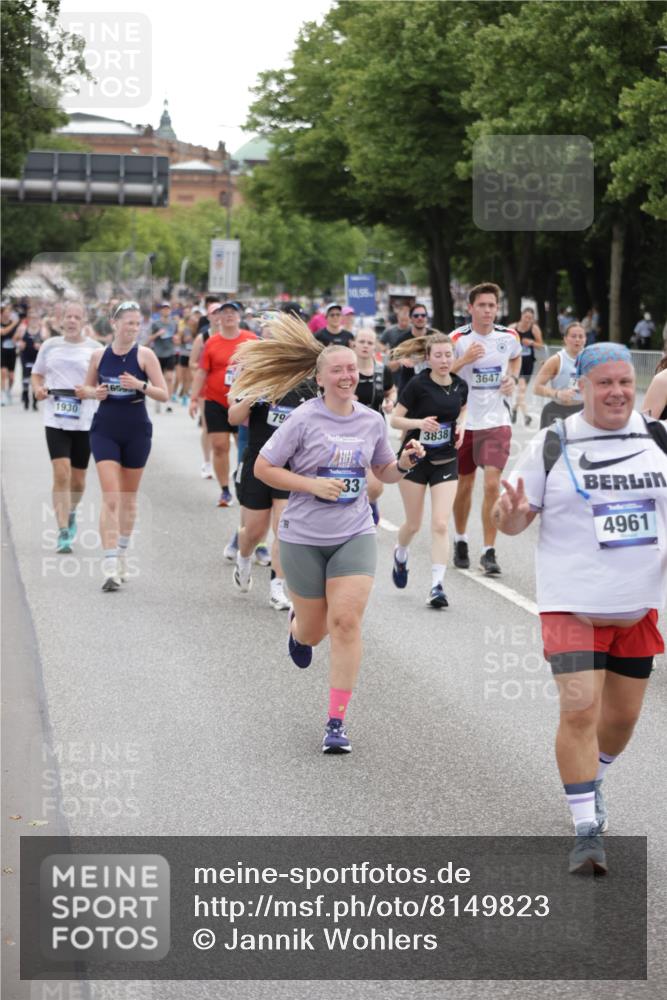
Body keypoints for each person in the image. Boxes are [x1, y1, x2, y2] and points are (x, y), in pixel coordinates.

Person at [494, 343, 667, 874]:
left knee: (621, 720)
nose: (616, 392)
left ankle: (593, 780)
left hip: (638, 609)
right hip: (571, 608)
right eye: (604, 384)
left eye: (624, 382)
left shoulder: (657, 439)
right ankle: (586, 829)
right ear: (583, 387)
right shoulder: (554, 442)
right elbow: (512, 522)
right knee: (580, 713)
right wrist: (511, 514)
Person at [234, 314, 425, 754]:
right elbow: (264, 467)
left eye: (350, 369)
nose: (345, 375)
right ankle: (297, 629)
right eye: (335, 369)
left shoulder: (371, 420)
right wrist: (310, 485)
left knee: (346, 622)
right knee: (314, 633)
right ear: (319, 379)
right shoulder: (303, 418)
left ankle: (336, 722)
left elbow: (383, 473)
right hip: (302, 537)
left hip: (353, 533)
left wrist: (407, 462)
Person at [82, 301, 168, 591]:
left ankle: (120, 553)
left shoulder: (144, 355)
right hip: (104, 429)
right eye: (128, 322)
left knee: (129, 497)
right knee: (111, 496)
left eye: (136, 323)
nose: (133, 328)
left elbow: (163, 394)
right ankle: (108, 564)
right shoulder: (98, 355)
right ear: (114, 323)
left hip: (136, 430)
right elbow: (84, 390)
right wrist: (97, 392)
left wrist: (139, 385)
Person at [449, 282, 522, 575]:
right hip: (465, 421)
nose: (488, 310)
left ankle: (488, 550)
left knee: (492, 484)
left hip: (496, 421)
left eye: (492, 305)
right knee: (464, 485)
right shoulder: (458, 339)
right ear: (470, 308)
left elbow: (516, 358)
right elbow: (439, 372)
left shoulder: (509, 337)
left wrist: (512, 379)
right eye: (482, 305)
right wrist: (464, 360)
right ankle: (460, 538)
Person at [390, 334, 468, 607]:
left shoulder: (460, 385)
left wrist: (461, 426)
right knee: (413, 524)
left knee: (440, 523)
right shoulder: (417, 384)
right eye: (438, 355)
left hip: (445, 460)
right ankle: (400, 553)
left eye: (449, 355)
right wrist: (419, 423)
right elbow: (395, 420)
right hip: (414, 459)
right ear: (428, 358)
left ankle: (437, 586)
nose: (444, 360)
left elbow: (463, 409)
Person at [31, 301, 100, 553]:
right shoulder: (50, 346)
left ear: (83, 322)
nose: (72, 321)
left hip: (85, 421)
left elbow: (103, 386)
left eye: (76, 317)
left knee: (79, 482)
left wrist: (90, 392)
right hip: (55, 417)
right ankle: (62, 530)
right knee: (61, 474)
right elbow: (37, 374)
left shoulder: (96, 349)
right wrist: (38, 388)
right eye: (68, 316)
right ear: (61, 320)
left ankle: (71, 512)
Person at [189, 301, 257, 506]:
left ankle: (242, 482)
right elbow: (202, 372)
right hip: (215, 400)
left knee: (242, 446)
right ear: (218, 317)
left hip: (242, 402)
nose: (228, 315)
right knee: (219, 447)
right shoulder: (212, 342)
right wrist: (193, 398)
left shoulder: (251, 339)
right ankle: (225, 490)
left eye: (232, 312)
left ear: (239, 316)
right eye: (224, 312)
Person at [352, 326, 395, 524]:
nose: (365, 346)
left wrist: (390, 402)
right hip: (347, 430)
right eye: (362, 341)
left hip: (375, 432)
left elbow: (390, 391)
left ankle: (371, 502)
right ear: (354, 343)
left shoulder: (381, 370)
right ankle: (353, 513)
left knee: (375, 485)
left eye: (369, 343)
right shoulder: (346, 369)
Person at [533, 323, 587, 428]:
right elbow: (536, 388)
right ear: (565, 339)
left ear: (585, 339)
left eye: (581, 336)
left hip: (583, 411)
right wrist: (558, 394)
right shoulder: (556, 360)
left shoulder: (590, 360)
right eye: (573, 336)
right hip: (558, 411)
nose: (577, 340)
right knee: (552, 444)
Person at [386, 304, 433, 394]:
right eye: (416, 316)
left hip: (431, 387)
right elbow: (389, 367)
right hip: (408, 388)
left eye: (423, 315)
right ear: (410, 318)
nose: (420, 318)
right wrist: (400, 361)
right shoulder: (403, 340)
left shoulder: (434, 337)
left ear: (427, 318)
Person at [509, 307, 543, 426]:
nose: (528, 320)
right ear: (521, 315)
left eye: (530, 318)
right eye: (526, 317)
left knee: (522, 390)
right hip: (515, 362)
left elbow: (540, 345)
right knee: (522, 388)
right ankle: (526, 415)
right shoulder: (512, 328)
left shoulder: (534, 328)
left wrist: (532, 343)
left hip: (528, 362)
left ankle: (514, 409)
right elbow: (504, 344)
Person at [147, 303, 177, 410]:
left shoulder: (174, 323)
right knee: (157, 378)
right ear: (161, 311)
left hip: (170, 353)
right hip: (158, 354)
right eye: (164, 309)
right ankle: (158, 400)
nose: (166, 311)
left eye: (168, 309)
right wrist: (157, 334)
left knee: (169, 378)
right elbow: (148, 339)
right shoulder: (155, 324)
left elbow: (177, 337)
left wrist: (176, 339)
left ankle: (168, 401)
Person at [15, 305, 44, 410]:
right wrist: (19, 344)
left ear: (38, 319)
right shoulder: (22, 329)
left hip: (37, 358)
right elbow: (15, 340)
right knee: (26, 378)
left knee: (36, 379)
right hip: (26, 356)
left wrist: (41, 346)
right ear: (28, 319)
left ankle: (35, 402)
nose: (34, 320)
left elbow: (47, 343)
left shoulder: (43, 330)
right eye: (31, 318)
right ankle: (26, 397)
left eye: (36, 318)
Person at [1, 302, 20, 405]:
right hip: (2, 351)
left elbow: (18, 335)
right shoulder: (11, 323)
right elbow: (3, 332)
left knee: (12, 376)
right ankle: (2, 395)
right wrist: (14, 324)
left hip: (12, 351)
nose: (7, 314)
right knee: (3, 373)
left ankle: (8, 391)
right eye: (5, 312)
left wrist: (16, 337)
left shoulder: (14, 323)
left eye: (9, 312)